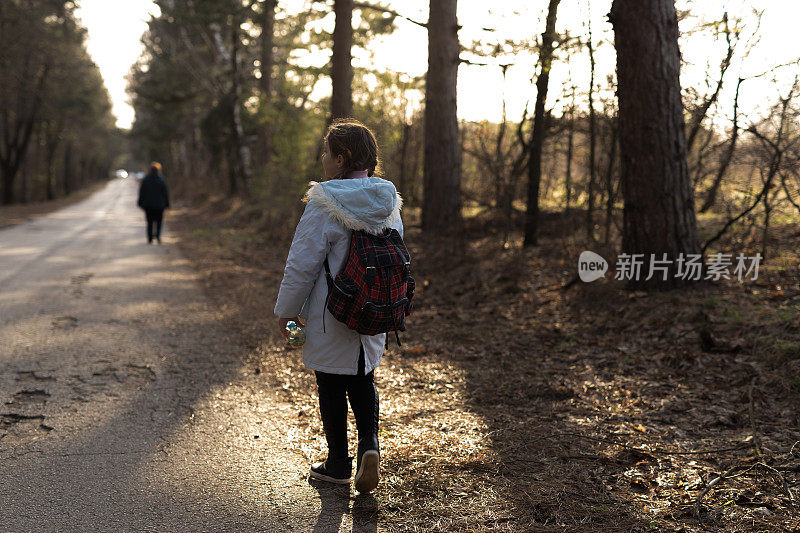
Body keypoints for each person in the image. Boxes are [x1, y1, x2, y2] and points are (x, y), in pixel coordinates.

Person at [274, 119, 404, 493]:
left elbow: (302, 262)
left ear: (341, 158)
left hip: (333, 312)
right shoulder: (388, 199)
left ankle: (337, 463)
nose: (322, 157)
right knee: (363, 378)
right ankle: (370, 447)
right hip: (375, 309)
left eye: (327, 151)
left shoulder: (325, 201)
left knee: (330, 382)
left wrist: (286, 310)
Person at [137, 162, 170, 244]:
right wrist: (167, 203)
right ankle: (158, 235)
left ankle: (150, 238)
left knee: (149, 222)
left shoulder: (146, 179)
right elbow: (165, 193)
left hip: (148, 205)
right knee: (159, 221)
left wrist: (140, 202)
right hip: (159, 205)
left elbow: (142, 192)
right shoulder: (161, 180)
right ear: (159, 170)